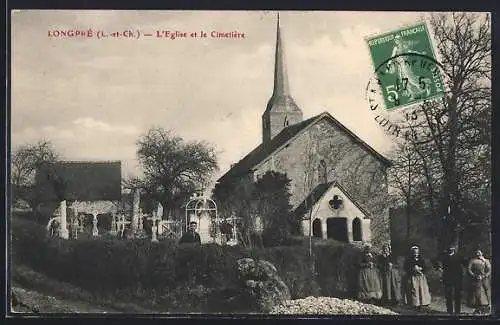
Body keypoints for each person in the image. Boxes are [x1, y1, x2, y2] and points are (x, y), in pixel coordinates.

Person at [436, 245, 466, 314]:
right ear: (448, 249)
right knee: (448, 295)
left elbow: (466, 263)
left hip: (457, 278)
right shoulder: (444, 256)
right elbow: (436, 261)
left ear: (454, 249)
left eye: (452, 248)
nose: (451, 249)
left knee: (457, 295)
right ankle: (449, 311)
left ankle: (457, 311)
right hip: (447, 278)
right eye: (450, 248)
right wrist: (439, 268)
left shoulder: (459, 256)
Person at [404, 245, 431, 310]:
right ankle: (415, 304)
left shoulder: (421, 259)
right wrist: (413, 269)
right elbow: (406, 268)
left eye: (417, 252)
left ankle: (421, 304)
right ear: (412, 252)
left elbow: (425, 267)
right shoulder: (409, 260)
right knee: (414, 290)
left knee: (421, 290)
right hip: (413, 277)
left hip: (421, 277)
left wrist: (420, 269)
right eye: (414, 252)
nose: (416, 253)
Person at [467, 249, 491, 314]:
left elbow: (489, 270)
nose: (478, 254)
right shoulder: (473, 260)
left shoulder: (486, 260)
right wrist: (474, 275)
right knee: (477, 293)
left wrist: (485, 275)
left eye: (479, 252)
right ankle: (477, 308)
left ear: (482, 253)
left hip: (484, 278)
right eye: (477, 252)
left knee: (486, 291)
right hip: (476, 278)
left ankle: (488, 306)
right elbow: (469, 269)